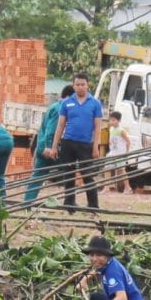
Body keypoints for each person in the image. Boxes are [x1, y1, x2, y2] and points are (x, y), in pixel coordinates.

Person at [50, 72, 103, 210]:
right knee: (69, 174)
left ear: (88, 85)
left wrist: (95, 147)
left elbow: (98, 127)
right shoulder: (66, 103)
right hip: (68, 143)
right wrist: (54, 147)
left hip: (85, 144)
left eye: (82, 84)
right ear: (73, 86)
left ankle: (93, 205)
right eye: (77, 84)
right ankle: (69, 203)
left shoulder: (95, 103)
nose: (80, 87)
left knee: (87, 175)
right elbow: (60, 125)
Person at [24, 85, 72, 204]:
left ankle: (27, 203)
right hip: (48, 149)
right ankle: (70, 202)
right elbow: (51, 131)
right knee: (70, 170)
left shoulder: (54, 106)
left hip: (42, 146)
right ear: (68, 97)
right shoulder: (59, 109)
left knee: (37, 177)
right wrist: (49, 147)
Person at [105, 111, 132, 194]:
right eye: (110, 120)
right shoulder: (111, 129)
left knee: (121, 170)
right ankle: (106, 187)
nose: (111, 122)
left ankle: (128, 188)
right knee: (107, 168)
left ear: (119, 121)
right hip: (112, 152)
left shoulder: (121, 130)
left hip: (120, 153)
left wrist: (126, 152)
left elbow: (128, 141)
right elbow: (111, 139)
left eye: (114, 120)